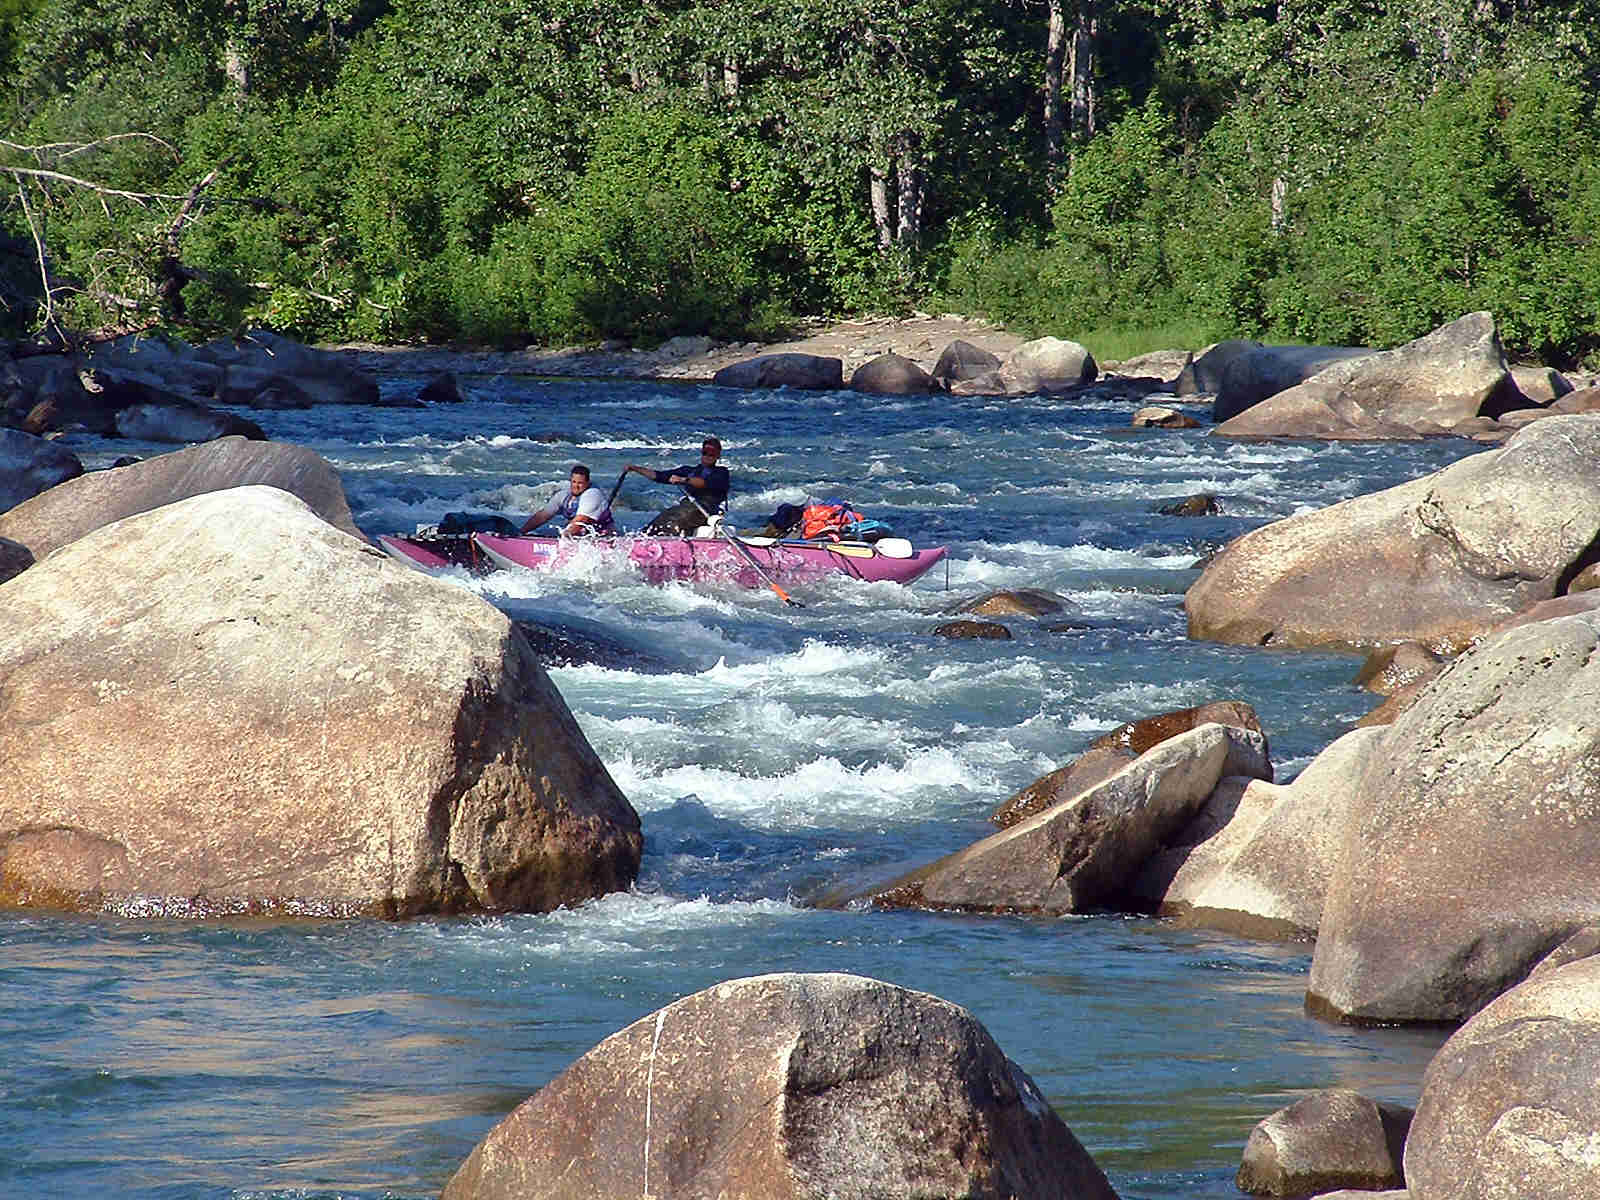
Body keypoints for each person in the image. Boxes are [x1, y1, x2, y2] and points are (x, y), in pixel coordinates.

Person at [625, 437, 730, 535]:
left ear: (718, 456)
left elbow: (704, 482)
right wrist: (635, 469)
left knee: (671, 522)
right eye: (705, 452)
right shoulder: (689, 470)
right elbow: (658, 476)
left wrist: (684, 480)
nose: (708, 456)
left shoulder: (722, 473)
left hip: (705, 510)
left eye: (712, 454)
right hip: (686, 507)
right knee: (656, 524)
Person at [521, 463, 614, 536]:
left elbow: (580, 521)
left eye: (580, 483)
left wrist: (563, 539)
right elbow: (542, 516)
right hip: (579, 535)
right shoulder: (564, 495)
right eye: (574, 482)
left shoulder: (593, 495)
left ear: (587, 483)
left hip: (601, 538)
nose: (576, 486)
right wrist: (521, 532)